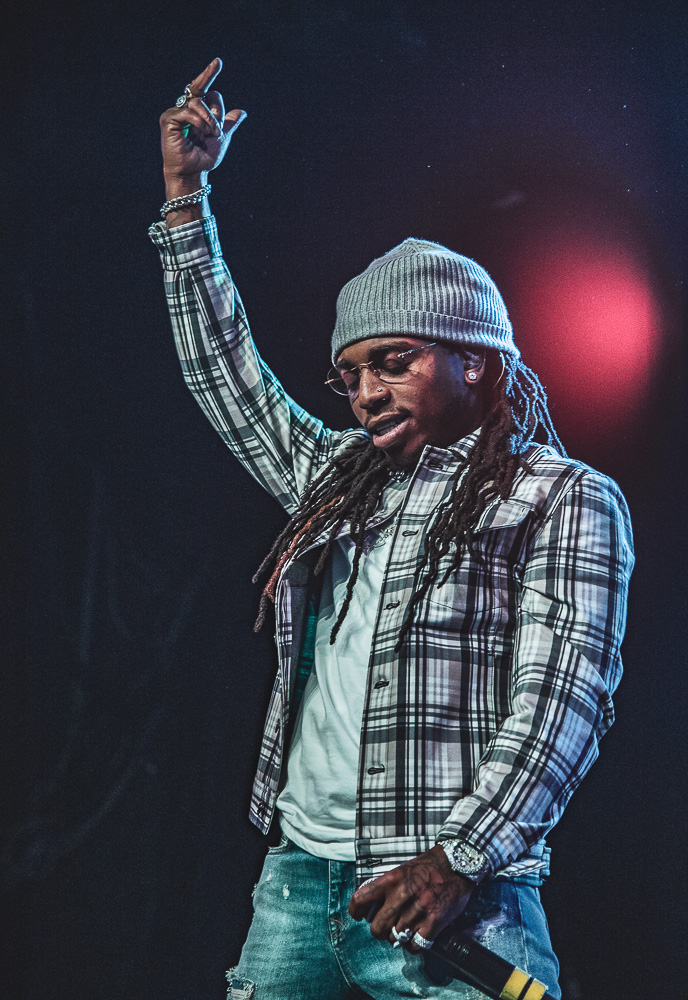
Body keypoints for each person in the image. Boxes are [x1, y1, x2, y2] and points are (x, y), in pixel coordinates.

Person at [150, 59, 634, 1000]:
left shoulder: (562, 496)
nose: (367, 391)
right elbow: (227, 378)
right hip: (297, 886)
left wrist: (459, 857)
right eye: (352, 373)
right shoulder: (340, 478)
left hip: (452, 897)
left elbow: (562, 701)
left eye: (395, 360)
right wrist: (184, 201)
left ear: (481, 364)